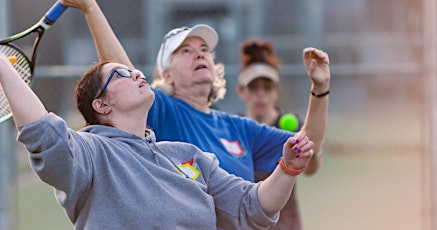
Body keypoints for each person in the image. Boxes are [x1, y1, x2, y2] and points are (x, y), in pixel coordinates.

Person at [0, 55, 315, 229]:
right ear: (101, 105)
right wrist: (2, 65)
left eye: (134, 70)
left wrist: (287, 168)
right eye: (121, 75)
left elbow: (253, 206)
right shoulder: (92, 152)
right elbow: (44, 133)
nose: (136, 73)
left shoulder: (188, 155)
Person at [61, 0, 329, 186]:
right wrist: (90, 8)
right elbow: (121, 77)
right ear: (166, 75)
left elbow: (308, 145)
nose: (200, 53)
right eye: (185, 51)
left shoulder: (239, 128)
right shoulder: (162, 110)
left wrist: (319, 88)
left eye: (203, 49)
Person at [236, 38, 311, 230]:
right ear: (241, 91)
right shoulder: (233, 127)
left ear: (276, 90)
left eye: (267, 87)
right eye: (253, 88)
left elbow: (313, 164)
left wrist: (320, 90)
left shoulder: (289, 128)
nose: (260, 94)